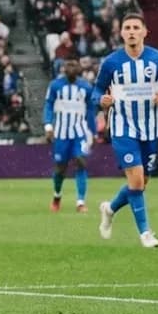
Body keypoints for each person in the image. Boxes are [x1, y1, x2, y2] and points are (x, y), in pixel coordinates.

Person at [96, 14, 158, 248]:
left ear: (144, 32)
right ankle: (145, 233)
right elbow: (97, 91)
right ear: (121, 33)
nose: (131, 31)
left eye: (135, 28)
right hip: (122, 128)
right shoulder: (111, 62)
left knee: (139, 184)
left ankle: (110, 209)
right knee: (137, 179)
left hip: (149, 129)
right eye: (127, 28)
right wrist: (103, 99)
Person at [44, 59, 99, 213]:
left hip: (79, 133)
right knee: (60, 169)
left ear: (79, 69)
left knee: (81, 161)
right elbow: (48, 105)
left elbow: (90, 111)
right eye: (69, 65)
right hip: (61, 134)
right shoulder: (55, 85)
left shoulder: (86, 87)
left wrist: (93, 132)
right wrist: (48, 126)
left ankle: (80, 202)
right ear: (64, 69)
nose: (71, 68)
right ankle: (57, 196)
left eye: (74, 65)